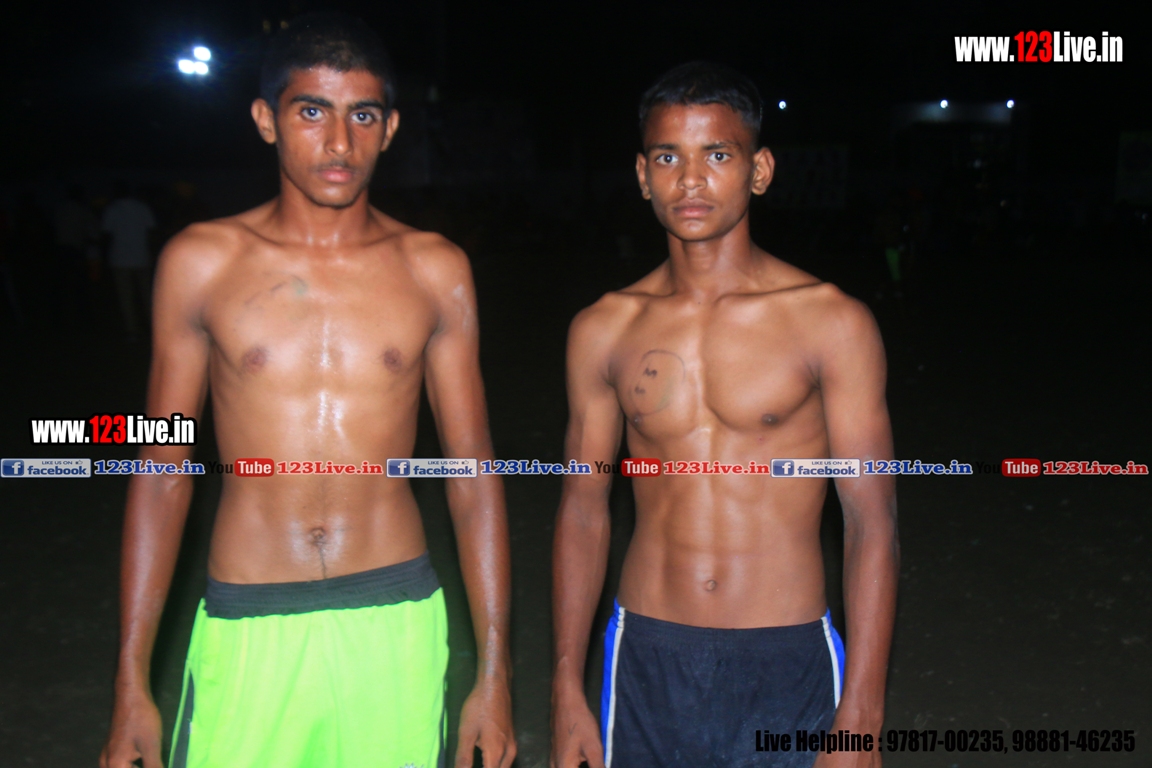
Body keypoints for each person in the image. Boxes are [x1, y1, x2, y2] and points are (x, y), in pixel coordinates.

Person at [100, 12, 515, 768]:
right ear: (266, 120)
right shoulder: (203, 262)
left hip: (394, 615)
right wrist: (131, 680)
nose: (340, 143)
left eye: (363, 115)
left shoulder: (434, 268)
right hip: (249, 615)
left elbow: (474, 474)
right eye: (312, 112)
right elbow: (161, 471)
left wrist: (495, 673)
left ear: (390, 128)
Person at [550, 62, 898, 768]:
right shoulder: (603, 329)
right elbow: (582, 511)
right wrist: (564, 685)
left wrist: (862, 711)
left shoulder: (831, 322)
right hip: (647, 652)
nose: (690, 180)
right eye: (667, 157)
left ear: (759, 170)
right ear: (642, 175)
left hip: (785, 656)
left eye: (717, 155)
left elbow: (871, 519)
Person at [101, 180, 156, 339]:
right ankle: (154, 328)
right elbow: (152, 230)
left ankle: (132, 330)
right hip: (142, 257)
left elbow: (106, 233)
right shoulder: (142, 207)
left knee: (125, 297)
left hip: (120, 258)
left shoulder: (112, 209)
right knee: (147, 295)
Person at [53, 184, 99, 322]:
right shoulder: (81, 210)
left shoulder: (60, 209)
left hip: (61, 249)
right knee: (80, 283)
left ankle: (58, 316)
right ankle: (83, 316)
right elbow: (92, 231)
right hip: (75, 250)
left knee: (62, 284)